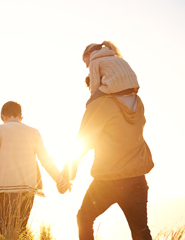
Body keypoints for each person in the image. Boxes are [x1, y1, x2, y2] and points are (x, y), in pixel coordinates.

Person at [62, 41, 154, 240]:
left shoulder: (99, 105)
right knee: (141, 231)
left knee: (84, 218)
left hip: (109, 180)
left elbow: (82, 142)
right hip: (137, 178)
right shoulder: (138, 102)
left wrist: (67, 174)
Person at [0, 101, 71, 236]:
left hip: (8, 189)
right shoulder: (34, 132)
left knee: (6, 232)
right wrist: (61, 182)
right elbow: (46, 161)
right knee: (20, 230)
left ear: (3, 117)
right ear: (21, 118)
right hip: (29, 189)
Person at [82, 40, 140, 106]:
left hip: (115, 87)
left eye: (85, 61)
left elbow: (94, 84)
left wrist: (92, 98)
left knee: (89, 104)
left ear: (89, 54)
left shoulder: (94, 61)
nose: (86, 66)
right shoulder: (116, 58)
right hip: (133, 87)